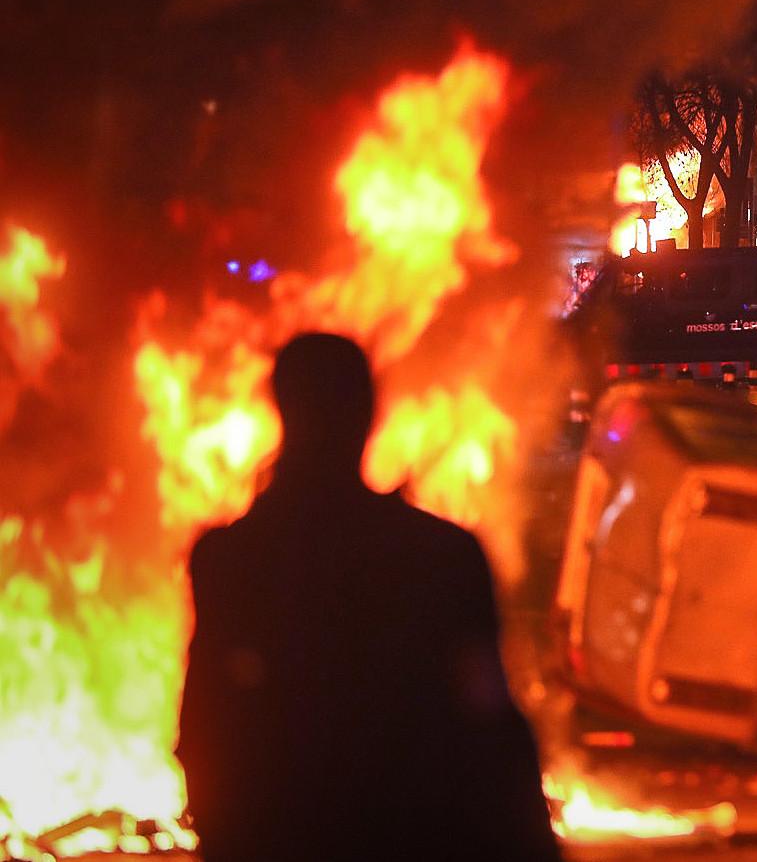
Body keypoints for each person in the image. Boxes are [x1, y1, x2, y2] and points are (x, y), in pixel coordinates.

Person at [178, 333, 561, 862]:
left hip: (276, 838)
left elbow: (203, 722)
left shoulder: (230, 558)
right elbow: (492, 720)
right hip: (411, 837)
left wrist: (225, 837)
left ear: (283, 410)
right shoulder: (441, 556)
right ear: (369, 414)